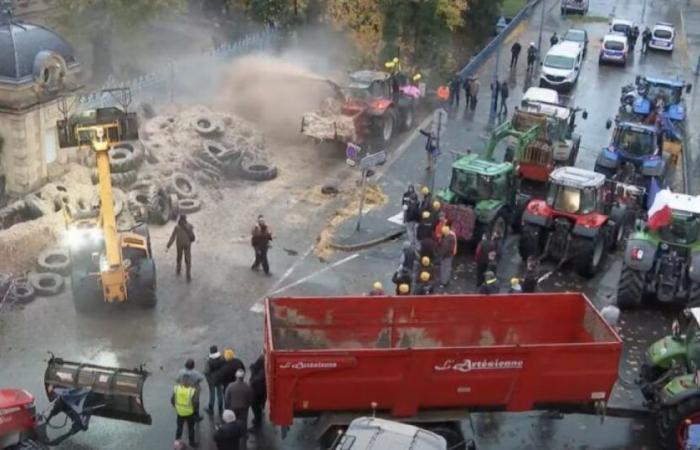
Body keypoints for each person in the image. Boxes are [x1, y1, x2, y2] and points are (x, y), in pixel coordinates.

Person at [224, 369, 253, 440]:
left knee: (233, 421)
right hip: (244, 407)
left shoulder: (230, 386)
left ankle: (234, 434)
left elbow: (227, 397)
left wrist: (228, 406)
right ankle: (244, 434)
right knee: (243, 421)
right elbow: (250, 397)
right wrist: (248, 404)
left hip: (233, 407)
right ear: (243, 377)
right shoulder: (247, 386)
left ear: (236, 376)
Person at [166, 214, 195, 282]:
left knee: (179, 257)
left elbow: (172, 237)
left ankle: (178, 270)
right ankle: (188, 275)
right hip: (187, 245)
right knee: (188, 259)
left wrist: (168, 246)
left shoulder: (177, 227)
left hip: (179, 245)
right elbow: (192, 235)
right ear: (185, 219)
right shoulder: (190, 226)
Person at [172, 378, 198, 448]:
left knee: (179, 428)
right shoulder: (192, 391)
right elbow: (195, 403)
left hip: (179, 412)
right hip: (190, 413)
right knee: (191, 428)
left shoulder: (177, 389)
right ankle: (192, 442)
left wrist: (176, 407)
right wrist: (195, 411)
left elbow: (172, 400)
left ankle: (177, 443)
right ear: (190, 384)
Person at [205, 346, 225, 417]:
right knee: (220, 393)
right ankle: (220, 407)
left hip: (212, 380)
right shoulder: (222, 358)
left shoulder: (209, 361)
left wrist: (208, 379)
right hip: (220, 378)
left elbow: (206, 372)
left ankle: (211, 408)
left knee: (212, 394)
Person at [249, 355, 267, 430]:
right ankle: (257, 421)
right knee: (258, 409)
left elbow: (257, 386)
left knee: (256, 410)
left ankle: (257, 425)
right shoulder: (263, 370)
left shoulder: (258, 377)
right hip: (260, 395)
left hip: (256, 396)